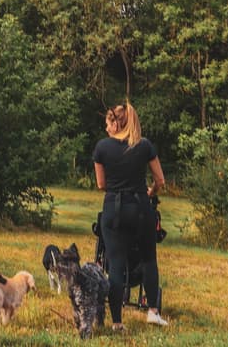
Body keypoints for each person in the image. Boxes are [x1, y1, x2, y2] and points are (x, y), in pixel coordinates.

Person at [93, 102, 168, 329]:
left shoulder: (102, 147)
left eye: (108, 123)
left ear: (116, 124)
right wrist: (150, 192)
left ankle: (117, 322)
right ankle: (153, 312)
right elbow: (160, 180)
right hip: (140, 207)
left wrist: (118, 190)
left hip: (114, 209)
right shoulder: (144, 145)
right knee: (148, 259)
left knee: (115, 265)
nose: (106, 128)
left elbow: (101, 184)